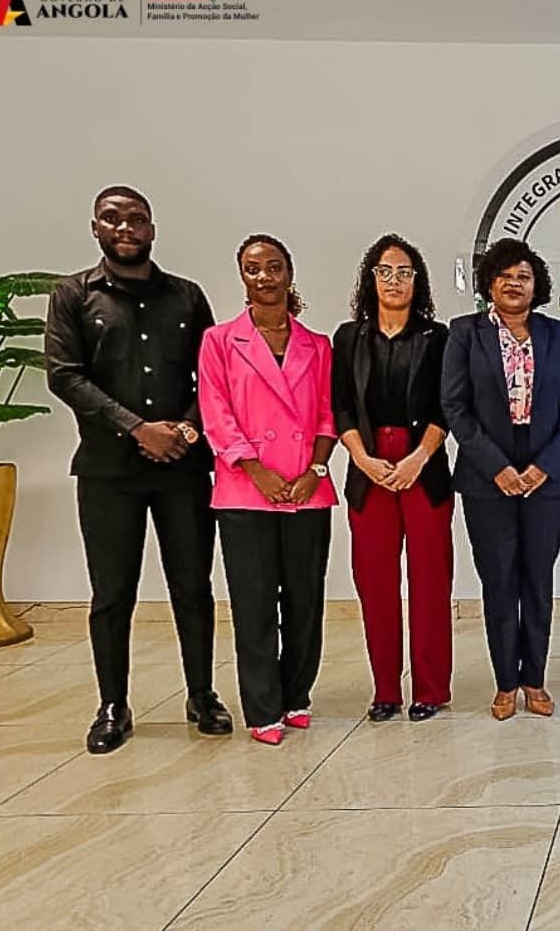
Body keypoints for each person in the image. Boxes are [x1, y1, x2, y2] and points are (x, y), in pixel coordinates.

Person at [45, 185, 231, 755]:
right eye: (112, 218)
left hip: (182, 469)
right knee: (112, 593)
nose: (125, 227)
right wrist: (136, 428)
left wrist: (186, 430)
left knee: (193, 588)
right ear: (95, 228)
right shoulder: (73, 295)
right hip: (108, 471)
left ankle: (202, 694)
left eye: (136, 219)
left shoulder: (187, 297)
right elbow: (64, 375)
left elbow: (213, 375)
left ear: (152, 229)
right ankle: (113, 705)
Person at [198, 234, 337, 746]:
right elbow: (216, 412)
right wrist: (256, 471)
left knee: (305, 601)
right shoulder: (219, 341)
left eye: (274, 266)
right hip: (244, 491)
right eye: (253, 268)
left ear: (289, 272)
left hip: (306, 488)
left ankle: (297, 695)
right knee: (254, 604)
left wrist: (314, 470)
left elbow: (328, 414)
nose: (264, 276)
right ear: (242, 276)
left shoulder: (318, 345)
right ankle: (262, 707)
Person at [441, 238, 560, 720]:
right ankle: (506, 682)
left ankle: (535, 680)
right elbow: (455, 406)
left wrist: (546, 465)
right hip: (488, 475)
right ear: (489, 283)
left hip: (546, 474)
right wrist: (496, 467)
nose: (514, 283)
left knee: (537, 580)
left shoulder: (556, 334)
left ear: (535, 284)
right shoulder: (465, 333)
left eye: (523, 276)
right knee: (499, 581)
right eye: (504, 275)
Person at [332, 234, 454, 723]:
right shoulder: (349, 338)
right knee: (376, 584)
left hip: (422, 466)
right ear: (371, 278)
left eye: (405, 272)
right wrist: (361, 458)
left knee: (430, 583)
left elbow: (446, 406)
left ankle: (430, 689)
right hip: (369, 471)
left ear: (417, 281)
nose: (395, 281)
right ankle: (386, 689)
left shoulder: (438, 337)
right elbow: (341, 406)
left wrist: (418, 457)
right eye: (385, 271)